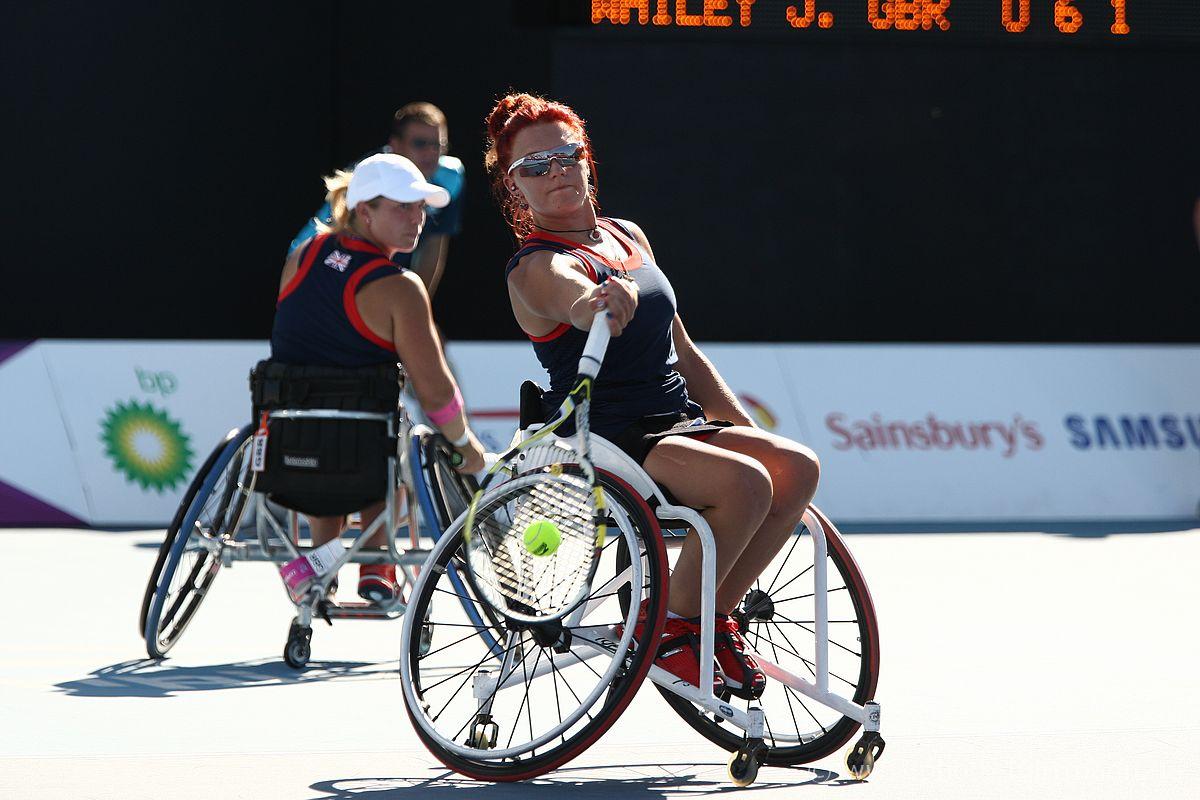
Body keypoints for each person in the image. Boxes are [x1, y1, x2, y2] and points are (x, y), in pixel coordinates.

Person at [484, 93, 821, 700]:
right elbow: (572, 296)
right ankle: (673, 627)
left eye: (565, 155)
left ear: (586, 159)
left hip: (676, 421)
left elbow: (684, 354)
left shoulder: (628, 234)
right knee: (746, 485)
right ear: (515, 188)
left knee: (794, 467)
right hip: (607, 437)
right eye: (533, 166)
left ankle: (707, 620)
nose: (555, 171)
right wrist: (598, 302)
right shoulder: (534, 267)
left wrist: (747, 430)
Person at [273, 153, 486, 604]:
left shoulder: (301, 256)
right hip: (363, 450)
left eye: (420, 207)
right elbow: (435, 390)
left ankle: (319, 562)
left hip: (289, 447)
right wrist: (465, 444)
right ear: (364, 211)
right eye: (402, 207)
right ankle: (375, 563)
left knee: (343, 428)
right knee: (388, 431)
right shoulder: (401, 287)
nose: (417, 219)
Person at [289, 102, 465, 297]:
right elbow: (308, 251)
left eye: (438, 145)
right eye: (420, 143)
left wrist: (417, 306)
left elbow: (435, 243)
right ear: (394, 145)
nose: (431, 153)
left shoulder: (451, 176)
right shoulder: (364, 180)